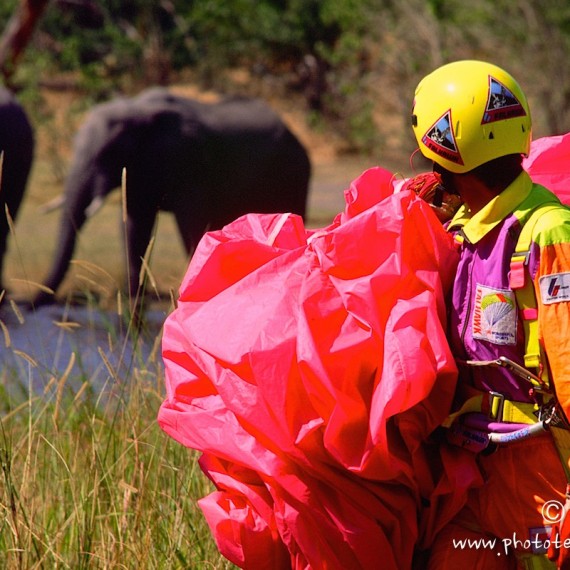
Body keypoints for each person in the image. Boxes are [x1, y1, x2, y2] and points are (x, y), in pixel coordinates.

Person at [410, 59, 570, 569]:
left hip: (544, 481)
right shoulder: (457, 230)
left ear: (442, 153)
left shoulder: (549, 232)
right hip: (473, 477)